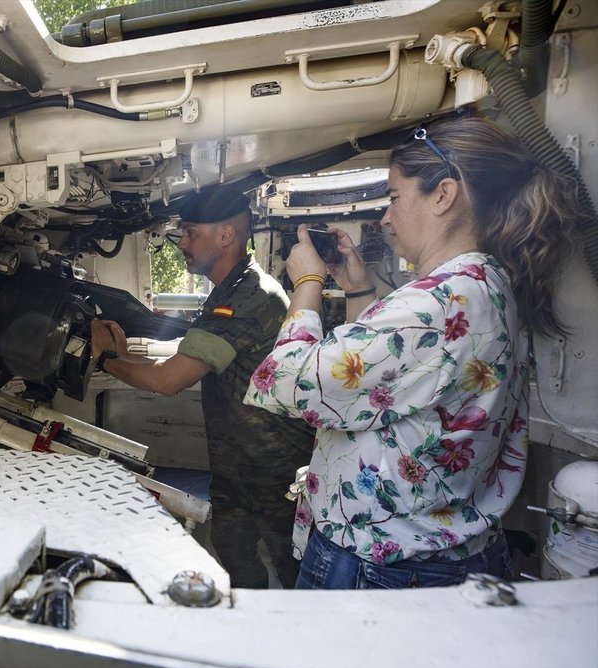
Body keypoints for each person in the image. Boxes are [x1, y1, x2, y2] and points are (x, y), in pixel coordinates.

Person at [243, 116, 581, 589]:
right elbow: (385, 392)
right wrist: (359, 292)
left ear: (443, 195)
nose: (385, 217)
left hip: (383, 567)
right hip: (444, 553)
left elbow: (283, 382)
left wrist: (307, 283)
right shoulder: (489, 286)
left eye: (395, 198)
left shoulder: (433, 304)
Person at [91, 188, 315, 589]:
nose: (182, 243)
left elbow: (168, 380)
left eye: (191, 233)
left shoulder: (248, 299)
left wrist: (105, 359)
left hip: (276, 474)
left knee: (297, 577)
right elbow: (183, 361)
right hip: (235, 470)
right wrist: (123, 356)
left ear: (226, 235)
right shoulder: (231, 290)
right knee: (234, 562)